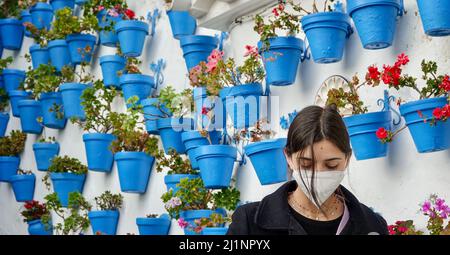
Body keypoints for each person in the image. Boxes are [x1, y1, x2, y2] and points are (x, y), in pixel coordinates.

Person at [227, 105, 388, 235]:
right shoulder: (249, 222)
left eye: (331, 165)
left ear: (347, 159)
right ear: (288, 157)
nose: (318, 174)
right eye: (306, 164)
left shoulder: (372, 226)